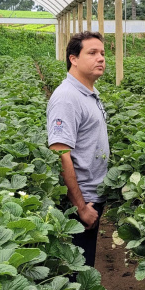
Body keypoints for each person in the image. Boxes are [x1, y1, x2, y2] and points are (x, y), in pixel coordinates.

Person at [47, 31, 110, 269]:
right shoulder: (67, 97)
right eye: (92, 53)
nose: (101, 58)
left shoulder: (89, 93)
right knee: (76, 271)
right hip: (80, 200)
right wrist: (81, 207)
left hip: (92, 196)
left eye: (102, 53)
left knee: (85, 266)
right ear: (73, 59)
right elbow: (60, 154)